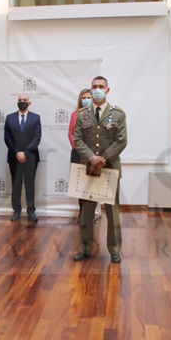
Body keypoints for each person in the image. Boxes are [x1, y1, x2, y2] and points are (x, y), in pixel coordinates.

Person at [72, 76, 128, 264]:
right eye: (94, 86)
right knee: (87, 211)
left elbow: (121, 140)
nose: (97, 89)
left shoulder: (118, 114)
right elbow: (78, 140)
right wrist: (91, 158)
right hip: (88, 167)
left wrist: (102, 159)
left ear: (107, 90)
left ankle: (114, 250)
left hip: (109, 167)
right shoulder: (82, 114)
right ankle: (85, 249)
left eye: (101, 87)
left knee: (112, 211)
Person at [4, 94, 42, 222]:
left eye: (24, 100)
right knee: (16, 184)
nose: (22, 102)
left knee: (30, 185)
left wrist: (25, 152)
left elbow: (37, 137)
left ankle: (31, 211)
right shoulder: (9, 118)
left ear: (29, 103)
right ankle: (16, 211)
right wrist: (17, 153)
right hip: (14, 157)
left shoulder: (36, 118)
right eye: (20, 100)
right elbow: (7, 138)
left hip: (30, 157)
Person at [69, 88, 93, 224]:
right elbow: (71, 133)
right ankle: (82, 212)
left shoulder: (97, 114)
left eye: (89, 97)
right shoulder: (75, 114)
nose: (86, 100)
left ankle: (90, 213)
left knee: (92, 184)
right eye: (84, 97)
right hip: (78, 153)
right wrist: (78, 147)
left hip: (92, 155)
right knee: (80, 185)